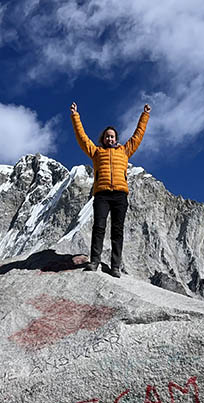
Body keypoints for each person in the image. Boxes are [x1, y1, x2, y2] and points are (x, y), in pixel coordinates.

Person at [70, 101, 150, 277]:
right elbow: (82, 137)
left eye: (112, 136)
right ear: (103, 139)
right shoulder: (96, 152)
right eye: (107, 136)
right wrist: (75, 116)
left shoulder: (124, 151)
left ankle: (115, 266)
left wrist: (144, 116)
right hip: (102, 195)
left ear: (116, 139)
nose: (110, 139)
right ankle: (95, 261)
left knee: (117, 230)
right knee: (99, 227)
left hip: (120, 195)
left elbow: (138, 135)